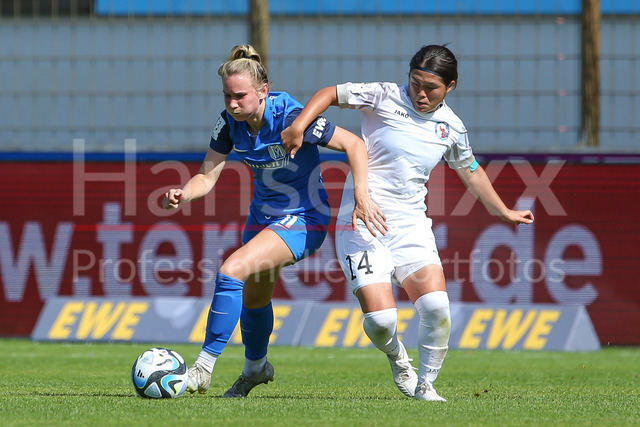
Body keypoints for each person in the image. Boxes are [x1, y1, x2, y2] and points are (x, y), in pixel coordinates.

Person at [281, 44, 534, 402]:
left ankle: (426, 384)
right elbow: (329, 93)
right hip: (362, 220)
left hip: (411, 225)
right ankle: (399, 360)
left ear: (450, 86)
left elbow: (471, 170)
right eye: (415, 83)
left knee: (436, 308)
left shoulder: (452, 127)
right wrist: (299, 125)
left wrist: (504, 211)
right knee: (382, 322)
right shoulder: (383, 95)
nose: (420, 93)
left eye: (431, 87)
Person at [162, 44, 386, 398]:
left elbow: (355, 145)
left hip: (304, 218)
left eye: (240, 96)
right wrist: (183, 194)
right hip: (262, 218)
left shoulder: (292, 117)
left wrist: (362, 196)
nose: (232, 104)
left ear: (263, 91)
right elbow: (206, 176)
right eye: (227, 96)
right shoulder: (229, 123)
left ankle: (203, 368)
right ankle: (256, 368)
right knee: (253, 299)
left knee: (231, 271)